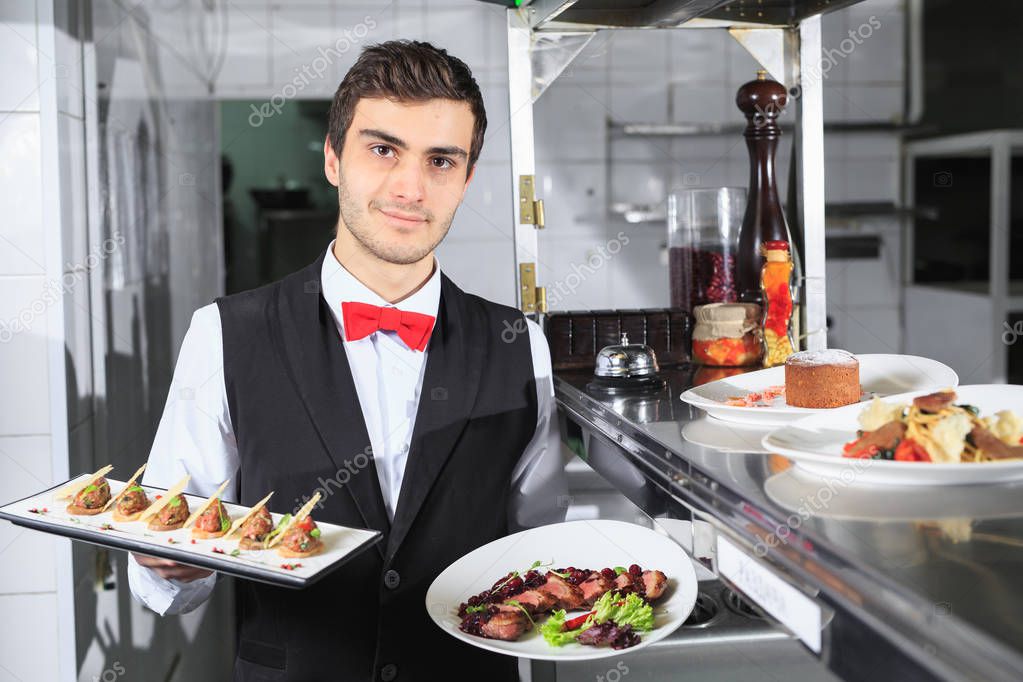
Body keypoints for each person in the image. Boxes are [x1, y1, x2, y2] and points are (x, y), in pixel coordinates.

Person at [128, 40, 566, 681]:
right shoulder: (223, 334)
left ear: (466, 179)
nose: (410, 187)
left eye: (440, 160)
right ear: (334, 159)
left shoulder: (520, 343)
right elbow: (170, 572)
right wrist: (166, 561)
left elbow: (535, 544)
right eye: (383, 149)